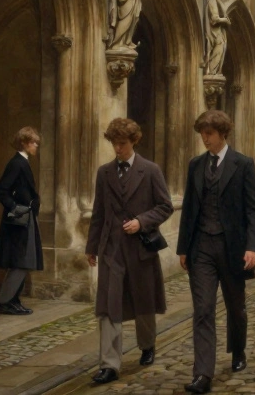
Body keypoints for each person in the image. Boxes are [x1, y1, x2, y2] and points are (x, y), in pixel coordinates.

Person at [176, 111, 255, 394]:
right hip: (201, 247)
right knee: (202, 310)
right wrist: (183, 248)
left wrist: (253, 247)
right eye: (202, 133)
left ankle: (238, 351)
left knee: (235, 307)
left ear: (222, 133)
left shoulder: (243, 164)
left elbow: (254, 209)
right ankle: (203, 373)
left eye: (209, 134)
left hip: (232, 249)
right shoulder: (196, 165)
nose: (204, 138)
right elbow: (189, 208)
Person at [86, 118, 174, 385]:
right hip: (111, 249)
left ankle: (147, 344)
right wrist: (92, 247)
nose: (117, 149)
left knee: (143, 302)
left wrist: (141, 221)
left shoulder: (150, 170)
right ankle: (109, 364)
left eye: (122, 144)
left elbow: (165, 206)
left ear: (134, 141)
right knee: (108, 307)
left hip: (140, 250)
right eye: (114, 143)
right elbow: (98, 213)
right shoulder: (104, 173)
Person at [0, 127, 43, 316]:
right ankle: (6, 302)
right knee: (21, 261)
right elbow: (0, 190)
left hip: (25, 218)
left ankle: (12, 300)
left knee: (23, 261)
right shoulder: (17, 163)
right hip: (19, 221)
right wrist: (14, 208)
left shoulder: (23, 162)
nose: (35, 145)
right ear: (23, 142)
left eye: (36, 142)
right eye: (32, 142)